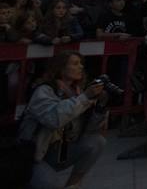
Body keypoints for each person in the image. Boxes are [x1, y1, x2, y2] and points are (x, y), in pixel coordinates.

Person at [18, 51, 108, 189]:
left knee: (96, 141)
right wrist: (84, 98)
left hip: (59, 150)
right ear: (61, 68)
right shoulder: (45, 90)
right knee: (50, 184)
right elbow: (53, 119)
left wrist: (100, 107)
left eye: (81, 64)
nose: (81, 67)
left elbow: (89, 130)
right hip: (34, 155)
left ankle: (73, 185)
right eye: (75, 64)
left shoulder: (76, 91)